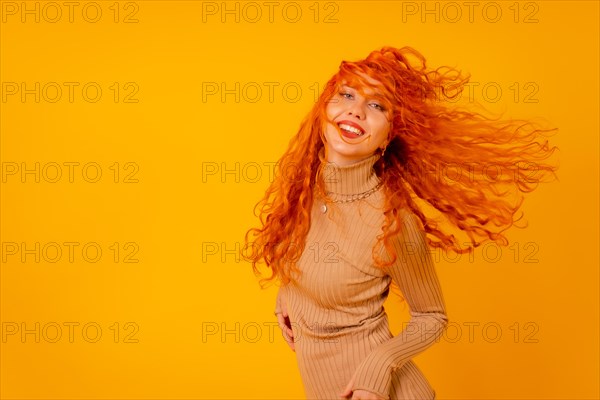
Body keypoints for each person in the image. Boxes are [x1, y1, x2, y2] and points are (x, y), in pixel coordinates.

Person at [243, 46, 558, 400]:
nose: (355, 110)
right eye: (346, 94)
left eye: (377, 106)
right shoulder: (304, 193)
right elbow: (310, 261)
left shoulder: (392, 221)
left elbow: (432, 316)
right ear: (324, 109)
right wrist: (290, 297)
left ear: (389, 135)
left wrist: (378, 369)